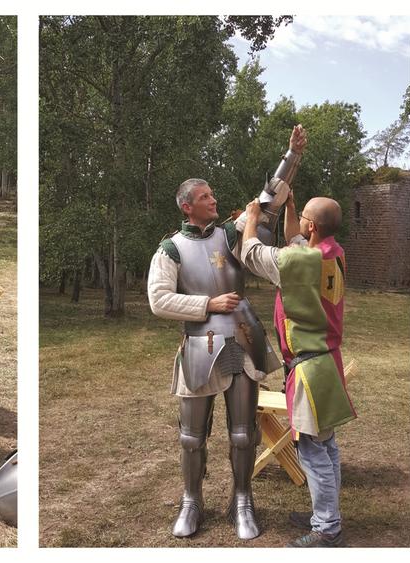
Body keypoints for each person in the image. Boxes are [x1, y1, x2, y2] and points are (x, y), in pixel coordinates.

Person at [146, 127, 306, 540]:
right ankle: (192, 500)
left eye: (213, 195)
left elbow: (267, 203)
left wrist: (290, 156)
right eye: (206, 197)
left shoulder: (231, 234)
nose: (214, 200)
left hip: (242, 340)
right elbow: (159, 300)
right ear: (188, 206)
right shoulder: (170, 249)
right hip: (199, 345)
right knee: (190, 437)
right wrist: (206, 305)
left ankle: (242, 500)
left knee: (242, 432)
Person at [241, 193, 356, 547]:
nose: (300, 223)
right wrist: (291, 208)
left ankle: (327, 526)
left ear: (312, 226)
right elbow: (295, 239)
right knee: (326, 445)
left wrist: (252, 215)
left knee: (310, 449)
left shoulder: (300, 260)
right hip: (326, 361)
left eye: (303, 216)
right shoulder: (330, 253)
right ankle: (327, 513)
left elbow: (251, 252)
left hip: (310, 368)